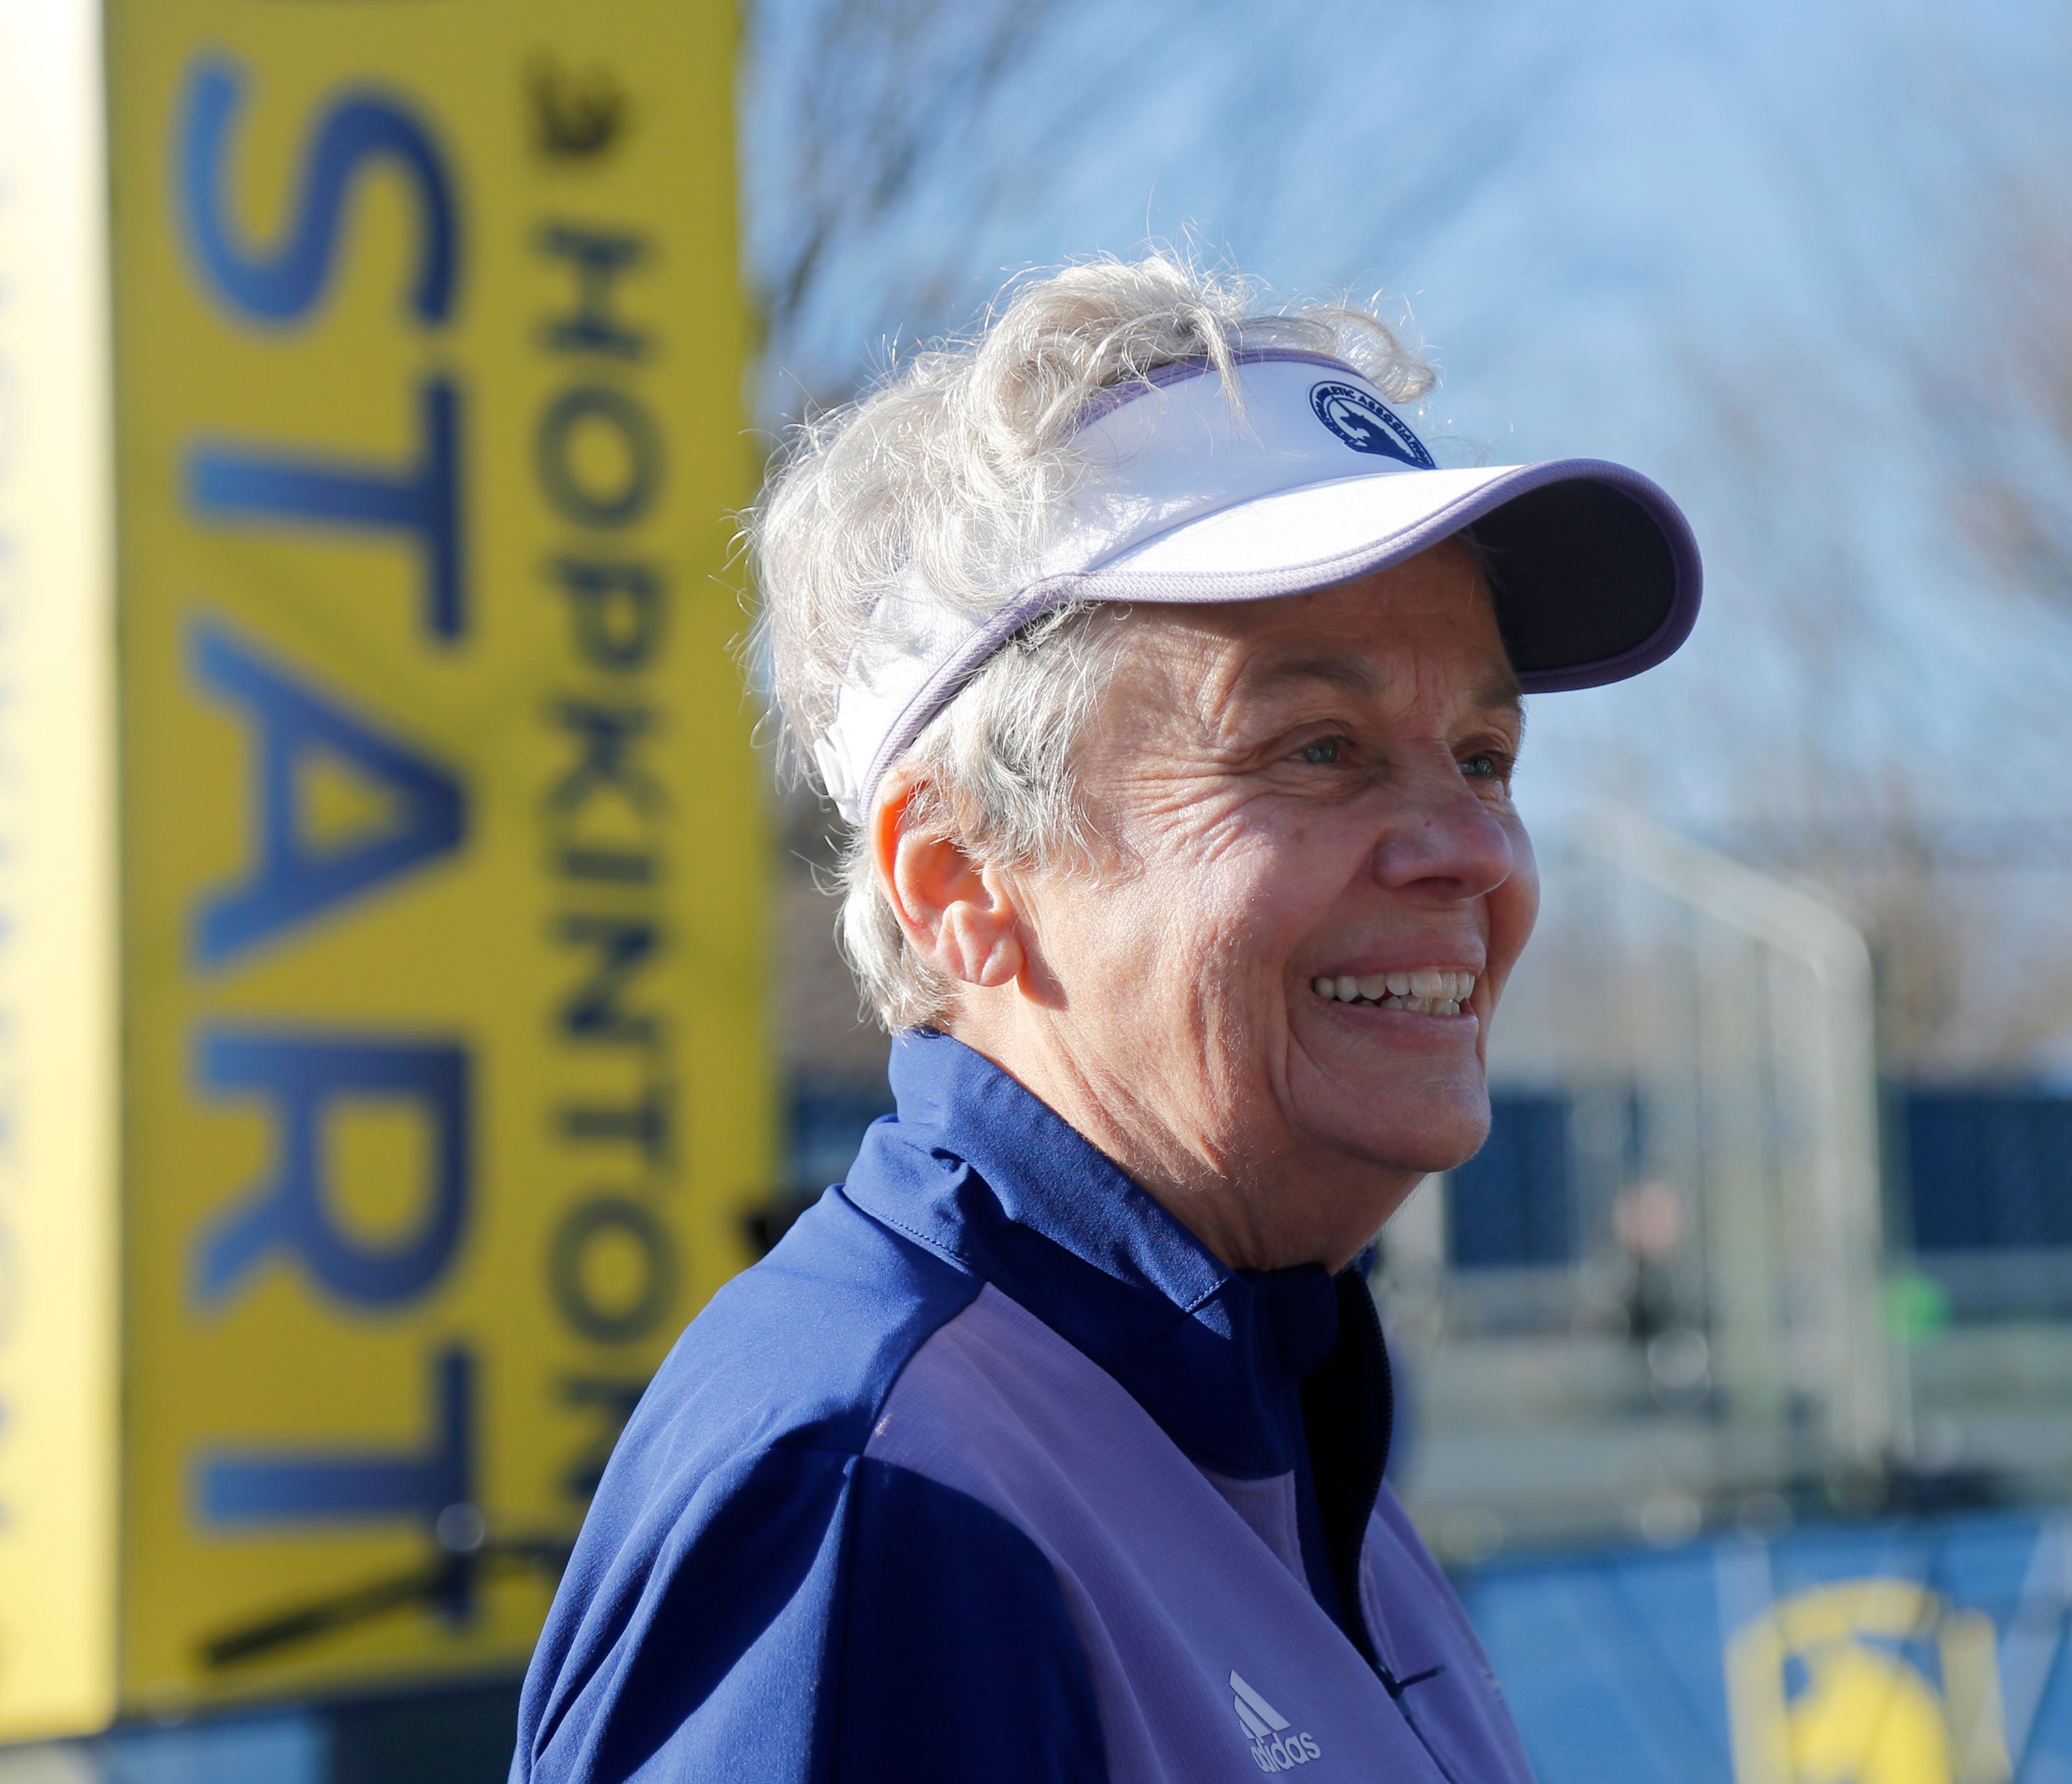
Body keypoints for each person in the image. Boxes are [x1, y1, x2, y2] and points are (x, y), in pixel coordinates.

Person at [508, 254, 1702, 1782]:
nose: (1467, 849)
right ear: (959, 880)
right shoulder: (885, 1498)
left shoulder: (1264, 1426)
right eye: (1318, 747)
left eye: (1480, 756)